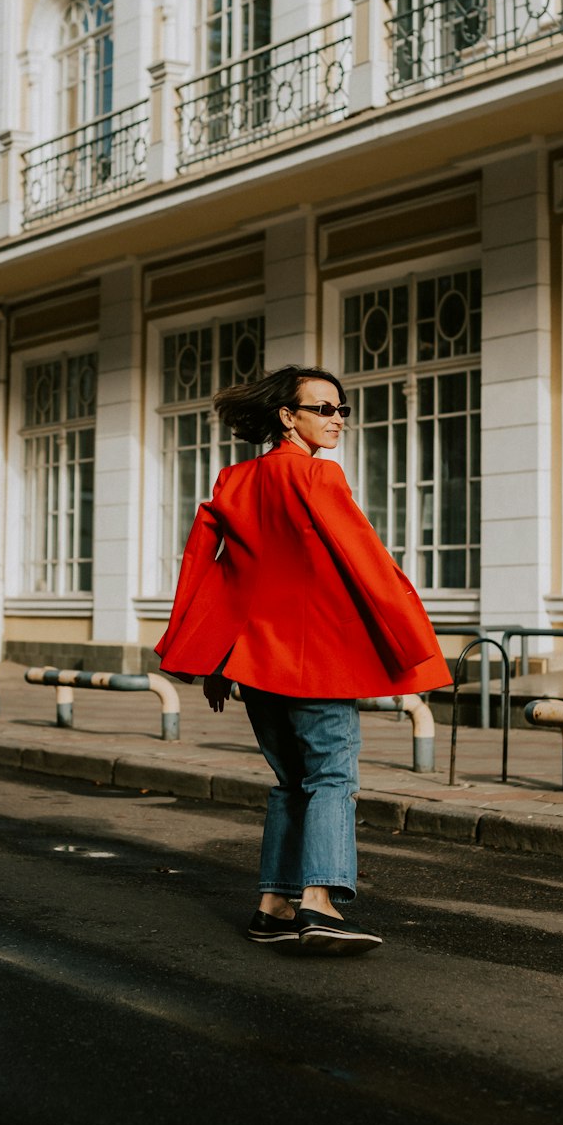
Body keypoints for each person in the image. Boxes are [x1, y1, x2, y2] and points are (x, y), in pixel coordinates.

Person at [155, 365, 450, 956]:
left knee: (292, 782)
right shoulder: (319, 477)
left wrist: (210, 659)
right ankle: (319, 902)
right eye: (322, 409)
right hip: (313, 659)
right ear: (287, 417)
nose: (336, 419)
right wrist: (415, 644)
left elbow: (211, 571)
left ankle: (273, 905)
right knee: (332, 778)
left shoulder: (234, 482)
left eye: (341, 410)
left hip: (251, 661)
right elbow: (369, 564)